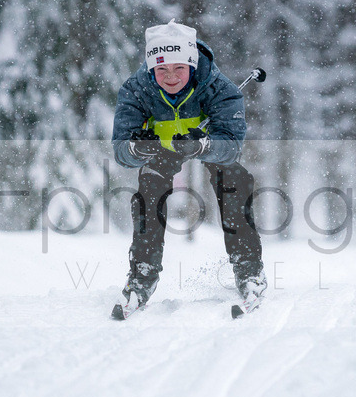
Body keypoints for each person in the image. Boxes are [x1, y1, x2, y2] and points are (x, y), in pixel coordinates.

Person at [111, 19, 267, 318]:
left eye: (179, 68)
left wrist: (203, 146)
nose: (170, 77)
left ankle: (249, 271)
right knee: (149, 186)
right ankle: (142, 275)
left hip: (204, 144)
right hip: (162, 149)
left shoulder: (219, 88)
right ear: (151, 68)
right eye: (161, 69)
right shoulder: (136, 90)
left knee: (234, 179)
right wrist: (137, 148)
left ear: (192, 65)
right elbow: (121, 151)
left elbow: (232, 145)